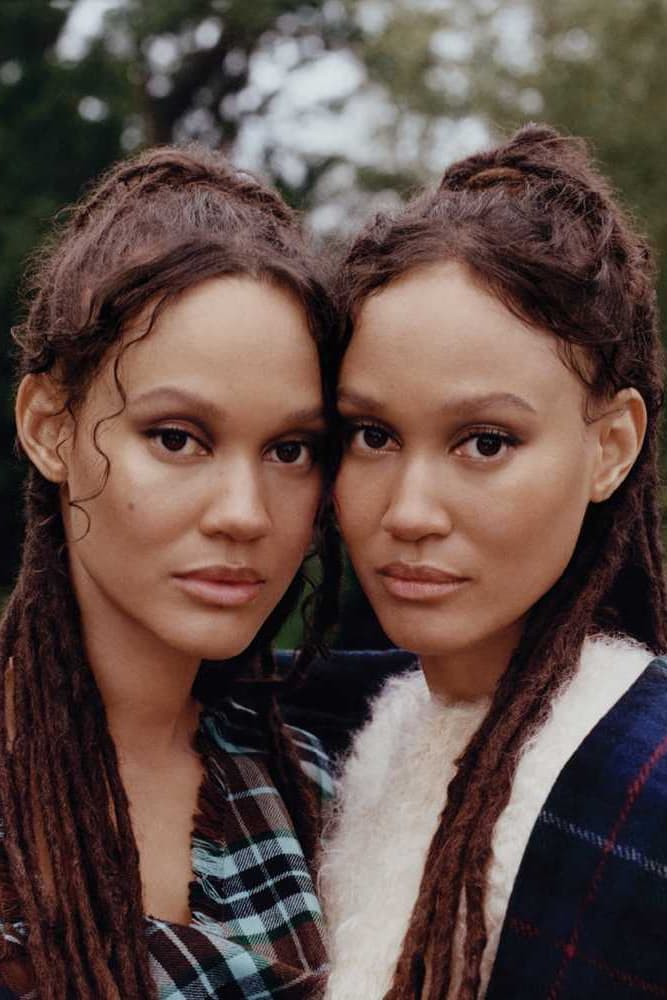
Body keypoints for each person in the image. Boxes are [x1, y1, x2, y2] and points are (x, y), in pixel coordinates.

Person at [321, 124, 667, 999]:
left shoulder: (644, 786)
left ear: (610, 446)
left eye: (484, 441)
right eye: (371, 435)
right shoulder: (338, 745)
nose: (409, 512)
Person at [0, 145, 339, 999]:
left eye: (290, 450)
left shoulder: (319, 791)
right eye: (178, 438)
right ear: (48, 427)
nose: (245, 512)